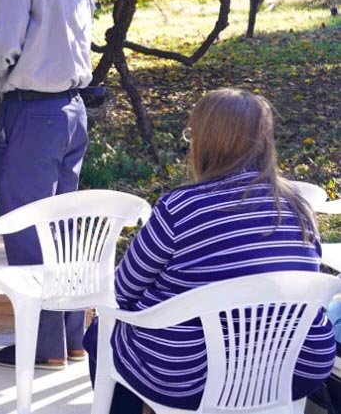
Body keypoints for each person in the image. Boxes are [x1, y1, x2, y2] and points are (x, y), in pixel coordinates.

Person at [84, 88, 334, 412]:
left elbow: (120, 291)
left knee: (101, 334)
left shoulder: (181, 207)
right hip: (294, 365)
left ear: (204, 141)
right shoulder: (298, 205)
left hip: (194, 377)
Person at [0, 0, 95, 370]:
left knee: (28, 229)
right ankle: (69, 338)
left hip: (32, 112)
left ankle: (43, 346)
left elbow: (6, 41)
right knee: (64, 231)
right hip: (73, 112)